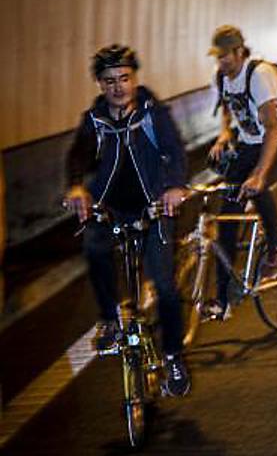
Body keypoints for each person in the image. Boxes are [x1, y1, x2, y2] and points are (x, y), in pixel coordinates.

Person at [64, 45, 191, 396]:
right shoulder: (94, 120)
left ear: (134, 78)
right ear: (100, 85)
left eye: (124, 78)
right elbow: (78, 154)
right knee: (93, 246)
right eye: (109, 82)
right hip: (112, 208)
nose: (118, 87)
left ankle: (173, 357)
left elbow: (175, 150)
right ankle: (108, 319)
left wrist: (176, 187)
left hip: (153, 207)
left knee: (164, 285)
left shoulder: (153, 113)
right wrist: (76, 187)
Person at [203, 25, 277, 319]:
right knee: (226, 220)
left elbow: (271, 128)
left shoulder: (259, 75)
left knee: (256, 186)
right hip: (250, 143)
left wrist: (259, 174)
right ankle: (222, 300)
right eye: (217, 58)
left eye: (226, 57)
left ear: (240, 52)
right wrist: (223, 136)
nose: (222, 63)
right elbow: (227, 108)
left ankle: (276, 247)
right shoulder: (223, 77)